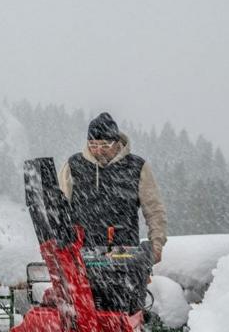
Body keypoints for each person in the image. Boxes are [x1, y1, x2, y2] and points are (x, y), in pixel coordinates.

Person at [58, 112, 167, 264]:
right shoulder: (73, 166)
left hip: (126, 256)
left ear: (117, 143)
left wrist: (157, 244)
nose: (99, 150)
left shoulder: (136, 167)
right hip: (81, 256)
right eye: (93, 145)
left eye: (105, 145)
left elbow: (154, 210)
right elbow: (59, 210)